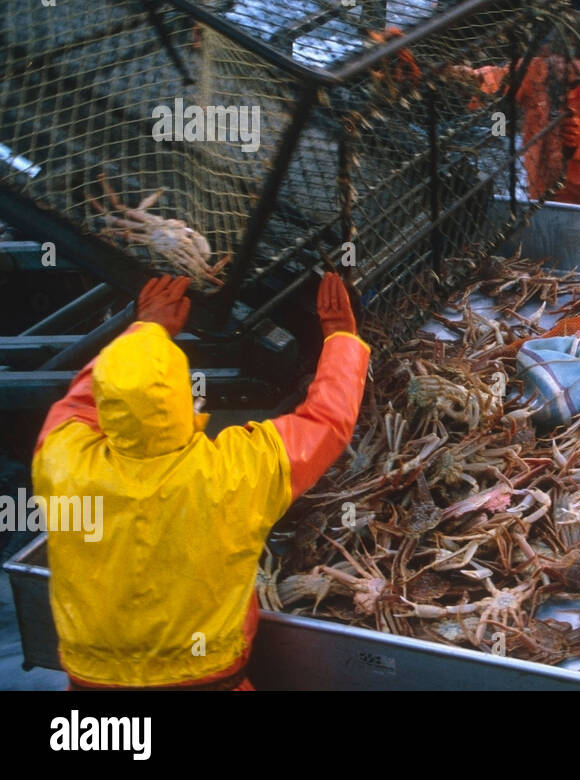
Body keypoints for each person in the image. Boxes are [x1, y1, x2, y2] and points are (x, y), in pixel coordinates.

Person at [31, 272, 368, 689]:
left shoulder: (60, 461)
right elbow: (328, 419)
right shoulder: (237, 470)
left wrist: (145, 332)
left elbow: (83, 399)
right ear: (183, 395)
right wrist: (340, 339)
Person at [445, 11, 580, 210]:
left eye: (574, 58)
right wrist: (472, 80)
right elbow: (502, 77)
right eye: (558, 56)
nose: (564, 65)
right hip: (546, 196)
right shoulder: (539, 72)